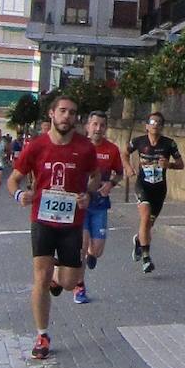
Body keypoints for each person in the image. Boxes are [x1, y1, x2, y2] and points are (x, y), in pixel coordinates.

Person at [7, 94, 99, 360]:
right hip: (42, 220)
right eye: (62, 111)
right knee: (41, 277)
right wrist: (19, 195)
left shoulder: (84, 147)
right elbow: (14, 180)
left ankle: (58, 278)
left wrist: (88, 194)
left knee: (69, 282)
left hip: (72, 223)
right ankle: (42, 335)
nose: (67, 116)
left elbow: (95, 176)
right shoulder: (36, 146)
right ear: (52, 114)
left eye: (72, 112)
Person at [124, 110, 184, 274]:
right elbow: (125, 153)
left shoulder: (169, 144)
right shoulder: (138, 141)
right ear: (147, 126)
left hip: (159, 188)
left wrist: (169, 165)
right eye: (152, 122)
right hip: (143, 186)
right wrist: (128, 167)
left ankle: (139, 240)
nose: (155, 125)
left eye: (158, 122)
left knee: (148, 225)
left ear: (162, 127)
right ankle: (146, 258)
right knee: (145, 217)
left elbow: (181, 164)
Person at [75, 110, 123, 304]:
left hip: (100, 206)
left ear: (106, 128)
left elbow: (119, 173)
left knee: (97, 250)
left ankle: (91, 254)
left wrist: (110, 184)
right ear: (87, 126)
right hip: (81, 206)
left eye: (102, 125)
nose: (98, 128)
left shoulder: (112, 150)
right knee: (81, 246)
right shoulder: (78, 147)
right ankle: (79, 287)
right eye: (94, 124)